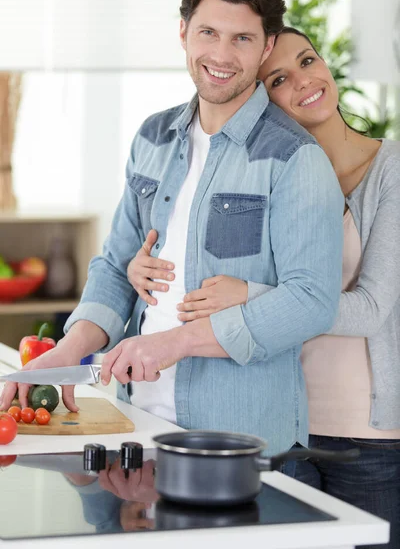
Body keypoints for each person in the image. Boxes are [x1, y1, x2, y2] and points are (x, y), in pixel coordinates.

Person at [0, 0, 344, 457]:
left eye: (242, 38)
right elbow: (115, 265)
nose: (222, 56)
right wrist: (69, 349)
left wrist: (173, 344)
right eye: (208, 32)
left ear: (266, 47)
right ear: (183, 32)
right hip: (135, 421)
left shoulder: (294, 157)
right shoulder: (153, 138)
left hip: (242, 442)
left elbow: (311, 300)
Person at [129, 27, 400, 548]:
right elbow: (198, 262)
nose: (304, 81)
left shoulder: (389, 171)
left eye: (308, 61)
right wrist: (139, 266)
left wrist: (250, 294)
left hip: (369, 437)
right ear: (259, 91)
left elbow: (370, 310)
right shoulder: (271, 172)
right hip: (281, 427)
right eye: (280, 78)